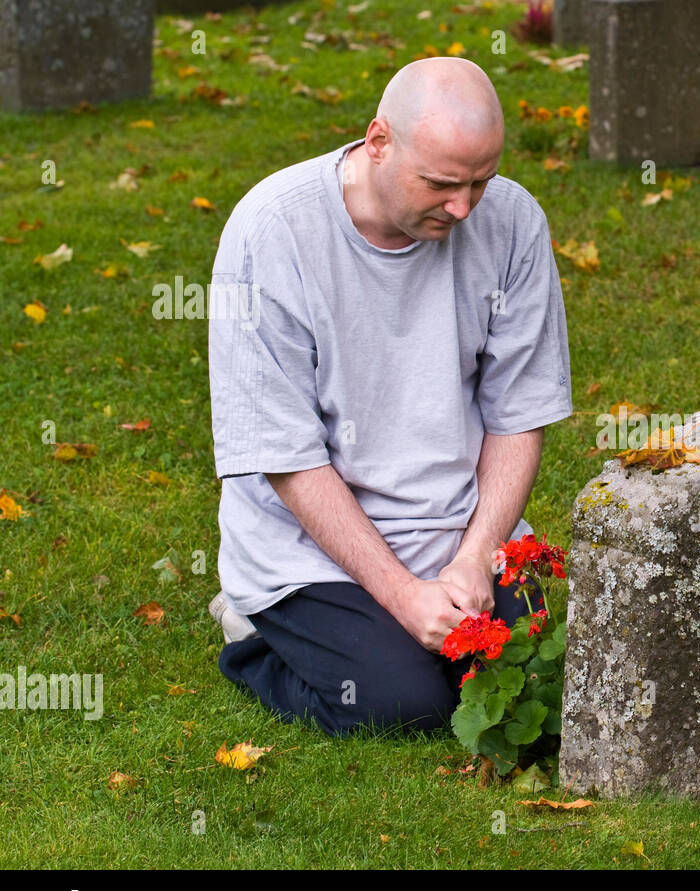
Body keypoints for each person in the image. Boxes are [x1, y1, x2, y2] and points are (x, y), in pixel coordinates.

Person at [205, 57, 572, 736]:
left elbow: (518, 414)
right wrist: (405, 598)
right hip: (309, 548)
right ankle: (250, 630)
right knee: (402, 705)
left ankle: (400, 622)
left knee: (535, 680)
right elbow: (286, 456)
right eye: (440, 184)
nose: (463, 208)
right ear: (378, 142)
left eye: (480, 183)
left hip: (454, 524)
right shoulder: (272, 233)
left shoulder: (514, 221)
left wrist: (475, 554)